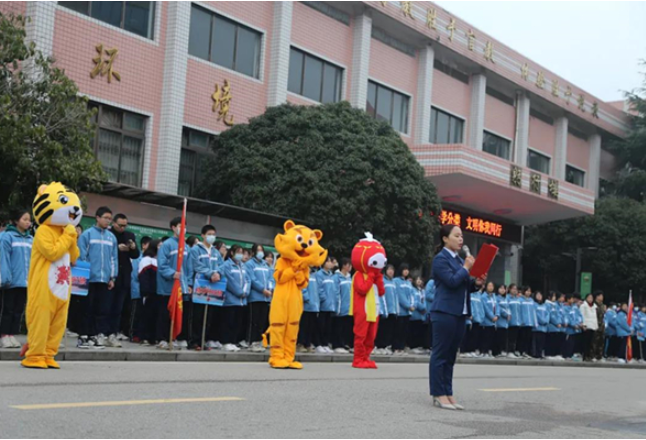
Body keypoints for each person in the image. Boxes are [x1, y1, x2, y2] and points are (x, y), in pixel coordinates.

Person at [430, 224, 484, 411]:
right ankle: (438, 394)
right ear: (445, 238)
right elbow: (452, 282)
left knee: (451, 355)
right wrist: (467, 267)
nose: (461, 239)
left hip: (460, 314)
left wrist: (477, 283)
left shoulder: (460, 261)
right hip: (444, 312)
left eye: (462, 236)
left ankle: (448, 392)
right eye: (456, 236)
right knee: (440, 354)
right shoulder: (440, 259)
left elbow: (466, 286)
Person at [77, 207, 118, 350]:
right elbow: (81, 256)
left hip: (104, 279)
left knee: (101, 309)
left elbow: (113, 258)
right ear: (97, 217)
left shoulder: (111, 237)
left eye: (110, 219)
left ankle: (95, 335)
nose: (108, 221)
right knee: (86, 308)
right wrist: (83, 277)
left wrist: (112, 277)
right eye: (106, 218)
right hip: (89, 279)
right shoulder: (87, 235)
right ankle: (83, 336)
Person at [156, 217, 192, 350]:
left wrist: (188, 283)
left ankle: (174, 337)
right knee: (165, 314)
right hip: (168, 287)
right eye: (180, 226)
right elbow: (162, 265)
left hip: (181, 287)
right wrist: (172, 273)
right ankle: (162, 338)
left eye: (184, 226)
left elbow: (188, 268)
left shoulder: (186, 247)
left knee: (179, 313)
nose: (183, 229)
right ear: (173, 227)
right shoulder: (167, 245)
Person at [0, 209, 33, 349]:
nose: (27, 222)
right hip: (11, 281)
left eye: (29, 220)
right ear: (16, 220)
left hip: (25, 281)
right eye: (24, 219)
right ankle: (4, 335)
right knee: (7, 309)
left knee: (18, 310)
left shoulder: (31, 239)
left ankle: (12, 334)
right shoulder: (7, 237)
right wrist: (6, 277)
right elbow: (4, 259)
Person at [189, 225, 224, 351]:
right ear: (203, 235)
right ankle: (194, 341)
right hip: (201, 286)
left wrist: (218, 273)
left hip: (214, 287)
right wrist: (210, 273)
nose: (212, 237)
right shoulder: (195, 250)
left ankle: (204, 340)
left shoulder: (215, 252)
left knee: (209, 315)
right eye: (209, 234)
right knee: (198, 314)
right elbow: (196, 265)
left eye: (213, 234)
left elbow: (221, 265)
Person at [109, 213, 140, 348]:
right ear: (114, 223)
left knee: (119, 307)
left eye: (125, 225)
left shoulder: (129, 235)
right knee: (106, 305)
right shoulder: (109, 234)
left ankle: (115, 331)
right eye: (120, 225)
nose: (122, 228)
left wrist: (132, 247)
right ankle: (102, 332)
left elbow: (135, 254)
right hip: (110, 274)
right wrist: (117, 248)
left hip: (124, 274)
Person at [220, 245, 251, 353]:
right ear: (232, 253)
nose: (240, 254)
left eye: (241, 252)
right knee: (229, 321)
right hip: (230, 299)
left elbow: (248, 280)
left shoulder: (243, 266)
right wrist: (239, 292)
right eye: (238, 252)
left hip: (242, 300)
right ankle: (226, 342)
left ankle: (233, 341)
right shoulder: (226, 265)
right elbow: (229, 281)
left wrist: (245, 292)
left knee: (237, 322)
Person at [246, 244, 273, 353]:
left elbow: (271, 278)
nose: (260, 252)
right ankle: (252, 341)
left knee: (262, 321)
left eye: (262, 250)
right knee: (254, 320)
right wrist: (262, 289)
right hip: (255, 296)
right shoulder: (249, 264)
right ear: (253, 252)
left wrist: (270, 289)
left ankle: (260, 340)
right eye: (258, 250)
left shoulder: (265, 265)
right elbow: (252, 279)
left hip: (266, 297)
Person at [129, 236, 152, 343]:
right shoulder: (138, 258)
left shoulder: (152, 259)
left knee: (144, 314)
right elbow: (135, 275)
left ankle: (141, 334)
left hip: (146, 291)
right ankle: (132, 334)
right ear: (143, 245)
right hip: (137, 290)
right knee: (135, 313)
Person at [139, 240, 161, 346]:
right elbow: (143, 276)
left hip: (160, 292)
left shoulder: (162, 260)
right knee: (147, 315)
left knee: (157, 316)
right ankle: (145, 337)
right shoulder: (147, 260)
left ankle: (154, 337)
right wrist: (145, 291)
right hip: (149, 292)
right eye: (160, 246)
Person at [316, 256, 337, 354]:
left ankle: (325, 344)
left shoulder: (331, 275)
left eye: (330, 261)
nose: (329, 263)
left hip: (330, 305)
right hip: (323, 305)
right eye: (327, 261)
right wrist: (323, 299)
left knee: (328, 325)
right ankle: (319, 344)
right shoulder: (319, 274)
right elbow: (319, 289)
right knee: (321, 325)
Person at [375, 265, 397, 355]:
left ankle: (385, 345)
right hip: (384, 309)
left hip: (392, 310)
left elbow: (395, 297)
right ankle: (379, 345)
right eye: (389, 269)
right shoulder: (382, 280)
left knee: (389, 329)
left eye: (392, 269)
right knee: (382, 329)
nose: (391, 271)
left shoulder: (393, 282)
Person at [332, 258, 353, 354]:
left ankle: (344, 344)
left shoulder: (349, 277)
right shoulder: (336, 277)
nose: (350, 267)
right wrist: (338, 307)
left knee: (346, 327)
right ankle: (337, 345)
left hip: (349, 308)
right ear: (344, 265)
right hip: (340, 307)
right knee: (338, 327)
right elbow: (336, 293)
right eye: (349, 265)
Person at [394, 264, 414, 356]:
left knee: (405, 330)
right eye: (404, 269)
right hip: (400, 310)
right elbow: (400, 296)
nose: (406, 271)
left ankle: (402, 347)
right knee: (398, 330)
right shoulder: (396, 281)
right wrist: (408, 305)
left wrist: (413, 305)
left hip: (408, 311)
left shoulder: (408, 283)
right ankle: (396, 347)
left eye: (407, 269)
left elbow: (412, 295)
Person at [298, 267, 320, 353]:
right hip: (306, 305)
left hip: (314, 305)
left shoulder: (314, 275)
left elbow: (317, 290)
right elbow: (302, 287)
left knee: (311, 326)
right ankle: (300, 344)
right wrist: (306, 298)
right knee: (304, 326)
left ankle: (308, 344)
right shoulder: (302, 274)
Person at [479, 281, 498, 359]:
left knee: (491, 336)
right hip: (486, 321)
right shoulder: (483, 297)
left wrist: (497, 315)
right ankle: (484, 351)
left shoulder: (494, 296)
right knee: (485, 336)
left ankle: (489, 351)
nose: (490, 287)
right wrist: (492, 317)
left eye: (492, 286)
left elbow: (497, 307)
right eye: (489, 286)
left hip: (494, 321)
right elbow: (486, 308)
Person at [580, 293, 599, 362]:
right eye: (589, 298)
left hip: (593, 326)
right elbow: (582, 315)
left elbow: (595, 317)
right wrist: (583, 324)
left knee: (591, 342)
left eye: (591, 298)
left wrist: (596, 325)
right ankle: (584, 356)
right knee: (586, 342)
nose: (590, 299)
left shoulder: (594, 306)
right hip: (586, 326)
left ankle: (589, 356)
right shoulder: (583, 306)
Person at [519, 286, 536, 359]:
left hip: (530, 322)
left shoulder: (531, 300)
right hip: (523, 323)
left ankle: (526, 352)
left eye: (529, 291)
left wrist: (534, 322)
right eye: (527, 291)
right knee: (522, 338)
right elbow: (519, 311)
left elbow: (533, 312)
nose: (528, 292)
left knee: (528, 338)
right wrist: (521, 320)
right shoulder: (520, 300)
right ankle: (521, 351)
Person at [506, 284, 521, 359]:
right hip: (510, 321)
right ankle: (509, 351)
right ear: (509, 289)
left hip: (517, 321)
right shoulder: (507, 298)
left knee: (515, 337)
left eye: (516, 289)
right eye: (513, 289)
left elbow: (519, 311)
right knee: (510, 337)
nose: (514, 290)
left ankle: (513, 351)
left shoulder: (517, 299)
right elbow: (507, 308)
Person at [533, 291, 549, 359]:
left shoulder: (545, 305)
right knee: (536, 341)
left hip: (544, 327)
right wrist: (541, 321)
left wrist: (546, 320)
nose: (539, 296)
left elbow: (548, 314)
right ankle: (536, 354)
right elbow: (535, 315)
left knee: (542, 341)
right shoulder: (534, 305)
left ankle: (540, 353)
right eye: (537, 295)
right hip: (537, 326)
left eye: (540, 295)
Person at [495, 285, 510, 358]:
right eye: (501, 288)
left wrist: (509, 314)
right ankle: (497, 351)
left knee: (504, 337)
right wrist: (506, 314)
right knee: (498, 337)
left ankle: (502, 350)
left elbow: (508, 308)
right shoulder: (496, 298)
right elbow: (499, 308)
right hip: (499, 321)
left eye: (504, 288)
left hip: (506, 322)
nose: (502, 290)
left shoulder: (506, 299)